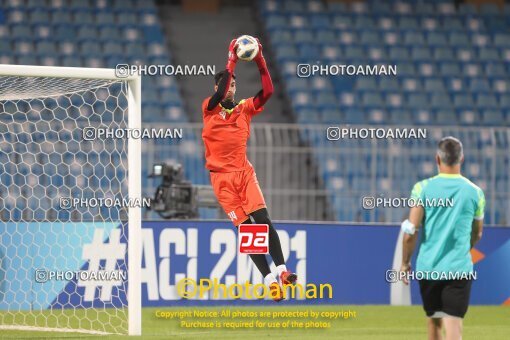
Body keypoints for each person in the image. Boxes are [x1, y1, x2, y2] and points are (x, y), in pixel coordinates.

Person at [201, 38, 297, 301]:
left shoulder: (244, 109)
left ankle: (283, 272)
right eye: (227, 84)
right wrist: (231, 58)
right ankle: (270, 282)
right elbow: (219, 95)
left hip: (244, 174)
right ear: (218, 86)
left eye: (233, 84)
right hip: (221, 181)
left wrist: (260, 60)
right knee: (248, 231)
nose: (230, 88)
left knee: (263, 222)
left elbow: (267, 92)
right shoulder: (209, 109)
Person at [400, 136, 485, 340]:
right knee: (454, 325)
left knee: (434, 322)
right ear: (461, 159)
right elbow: (478, 233)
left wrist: (404, 263)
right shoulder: (475, 193)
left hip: (429, 269)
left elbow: (411, 232)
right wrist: (466, 248)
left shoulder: (422, 189)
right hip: (458, 269)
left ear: (437, 159)